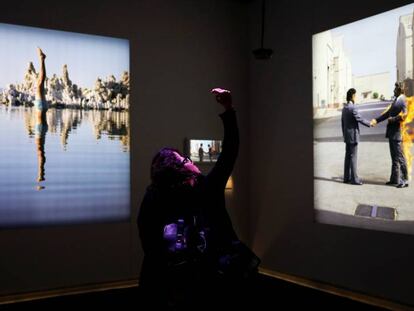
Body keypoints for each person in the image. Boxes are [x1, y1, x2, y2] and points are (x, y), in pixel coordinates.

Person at [137, 88, 257, 309]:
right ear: (179, 169)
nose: (190, 159)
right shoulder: (205, 189)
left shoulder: (153, 196)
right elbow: (230, 152)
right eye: (184, 159)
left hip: (165, 285)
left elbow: (149, 243)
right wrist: (229, 110)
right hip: (207, 282)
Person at [371, 82, 409, 188]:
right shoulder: (396, 100)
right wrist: (376, 120)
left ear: (399, 89)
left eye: (395, 88)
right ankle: (394, 179)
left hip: (397, 133)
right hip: (392, 133)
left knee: (400, 157)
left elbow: (405, 115)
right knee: (394, 157)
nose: (393, 90)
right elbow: (388, 114)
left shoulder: (402, 100)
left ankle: (404, 180)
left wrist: (394, 119)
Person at [341, 88, 371, 185]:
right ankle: (354, 179)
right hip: (353, 136)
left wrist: (344, 135)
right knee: (353, 157)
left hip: (347, 136)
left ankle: (346, 178)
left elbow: (342, 123)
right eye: (355, 95)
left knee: (348, 157)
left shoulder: (344, 108)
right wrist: (369, 123)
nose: (356, 97)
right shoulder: (353, 108)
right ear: (353, 96)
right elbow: (359, 119)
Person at [34, 48, 49, 187]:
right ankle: (41, 173)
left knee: (40, 151)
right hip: (41, 124)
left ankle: (41, 173)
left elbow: (41, 79)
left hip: (41, 122)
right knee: (40, 151)